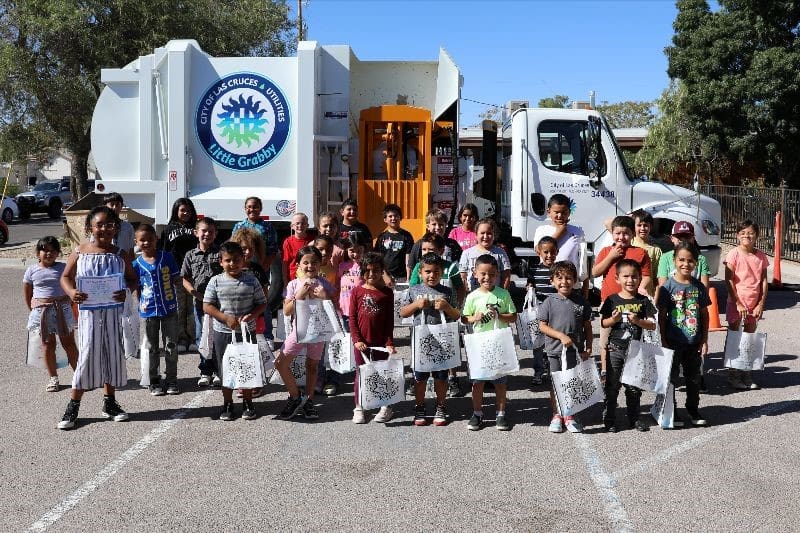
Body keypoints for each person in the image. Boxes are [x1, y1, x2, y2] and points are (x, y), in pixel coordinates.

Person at [57, 206, 139, 430]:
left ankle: (109, 403)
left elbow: (133, 279)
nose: (104, 229)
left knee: (112, 355)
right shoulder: (80, 251)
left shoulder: (120, 254)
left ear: (116, 228)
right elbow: (65, 277)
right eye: (99, 224)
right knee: (87, 356)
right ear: (90, 227)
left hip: (112, 313)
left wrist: (126, 289)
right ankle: (73, 405)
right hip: (89, 314)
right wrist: (72, 292)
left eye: (109, 225)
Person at [203, 241, 267, 421]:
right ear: (221, 261)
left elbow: (262, 303)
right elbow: (207, 306)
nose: (233, 264)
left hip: (247, 332)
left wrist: (252, 315)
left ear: (243, 259)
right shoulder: (215, 281)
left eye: (237, 260)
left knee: (246, 367)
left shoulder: (251, 280)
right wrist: (225, 318)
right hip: (223, 331)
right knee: (226, 369)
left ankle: (248, 402)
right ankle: (228, 403)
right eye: (228, 260)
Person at [400, 253, 461, 426]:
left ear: (442, 273)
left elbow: (457, 315)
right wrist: (416, 305)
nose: (431, 275)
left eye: (436, 272)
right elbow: (402, 312)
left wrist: (447, 307)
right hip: (421, 341)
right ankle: (420, 406)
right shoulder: (414, 290)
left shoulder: (447, 292)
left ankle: (441, 406)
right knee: (420, 378)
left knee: (441, 377)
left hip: (441, 341)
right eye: (427, 272)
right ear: (420, 273)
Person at [275, 246, 336, 420]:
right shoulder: (294, 285)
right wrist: (299, 296)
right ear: (299, 265)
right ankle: (296, 397)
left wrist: (325, 297)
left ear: (321, 264)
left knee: (312, 366)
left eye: (315, 262)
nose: (310, 266)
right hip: (299, 331)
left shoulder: (325, 285)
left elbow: (335, 310)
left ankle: (309, 401)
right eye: (306, 262)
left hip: (318, 332)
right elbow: (286, 311)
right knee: (280, 363)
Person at [656, 241, 711, 427]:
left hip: (694, 342)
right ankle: (671, 410)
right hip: (672, 341)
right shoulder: (667, 288)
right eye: (681, 260)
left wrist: (704, 340)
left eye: (690, 261)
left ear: (696, 262)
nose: (685, 264)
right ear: (673, 260)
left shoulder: (699, 288)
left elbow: (704, 314)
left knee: (694, 379)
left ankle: (693, 409)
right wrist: (663, 339)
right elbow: (662, 316)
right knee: (671, 378)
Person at [599, 259, 657, 432]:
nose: (630, 280)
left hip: (636, 351)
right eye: (626, 277)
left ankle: (634, 419)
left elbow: (652, 324)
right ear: (617, 279)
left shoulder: (643, 300)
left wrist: (638, 321)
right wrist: (614, 319)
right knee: (612, 386)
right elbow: (603, 323)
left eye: (634, 277)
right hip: (615, 349)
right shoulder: (611, 300)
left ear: (640, 279)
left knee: (633, 387)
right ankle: (609, 419)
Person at [462, 254, 517, 431]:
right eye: (483, 274)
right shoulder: (472, 296)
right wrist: (473, 318)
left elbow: (513, 316)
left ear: (498, 274)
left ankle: (500, 414)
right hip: (479, 345)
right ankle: (477, 413)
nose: (487, 278)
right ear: (475, 274)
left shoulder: (503, 294)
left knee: (500, 381)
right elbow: (464, 318)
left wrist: (500, 316)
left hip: (498, 344)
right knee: (478, 382)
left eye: (492, 274)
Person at [592, 215, 651, 379]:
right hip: (609, 302)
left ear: (633, 234)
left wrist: (641, 287)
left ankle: (631, 369)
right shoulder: (606, 251)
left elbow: (646, 275)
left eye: (626, 233)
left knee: (633, 336)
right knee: (606, 337)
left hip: (633, 303)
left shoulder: (640, 253)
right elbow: (595, 272)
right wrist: (611, 256)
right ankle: (605, 370)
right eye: (617, 233)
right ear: (612, 234)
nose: (621, 237)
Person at [408, 232, 466, 397]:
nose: (427, 252)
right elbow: (412, 289)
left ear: (441, 250)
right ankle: (417, 377)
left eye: (431, 249)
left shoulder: (451, 267)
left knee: (449, 346)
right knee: (422, 347)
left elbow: (460, 287)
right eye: (424, 249)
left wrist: (456, 306)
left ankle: (452, 377)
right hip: (424, 318)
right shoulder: (420, 268)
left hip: (446, 314)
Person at [538, 261, 593, 434]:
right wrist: (560, 336)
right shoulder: (549, 302)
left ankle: (570, 414)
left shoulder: (581, 302)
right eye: (559, 278)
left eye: (569, 278)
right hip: (555, 351)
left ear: (575, 280)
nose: (564, 282)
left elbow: (588, 327)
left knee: (572, 382)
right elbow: (542, 326)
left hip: (574, 352)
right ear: (552, 281)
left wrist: (589, 347)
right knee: (556, 384)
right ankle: (556, 414)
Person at [23, 236, 78, 392]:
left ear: (58, 253)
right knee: (48, 345)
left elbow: (72, 286)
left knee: (69, 343)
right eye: (45, 250)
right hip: (42, 311)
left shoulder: (63, 268)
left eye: (53, 251)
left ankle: (79, 375)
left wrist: (70, 304)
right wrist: (34, 309)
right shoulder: (31, 270)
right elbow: (28, 294)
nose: (49, 254)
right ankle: (53, 378)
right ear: (37, 253)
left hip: (63, 309)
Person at [132, 224, 181, 395]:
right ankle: (154, 380)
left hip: (169, 309)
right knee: (152, 348)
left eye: (150, 239)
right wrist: (141, 304)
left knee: (171, 345)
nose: (146, 243)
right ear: (136, 242)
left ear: (156, 239)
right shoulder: (136, 264)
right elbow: (136, 287)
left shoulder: (167, 257)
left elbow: (176, 281)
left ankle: (172, 379)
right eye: (142, 240)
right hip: (148, 311)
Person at [350, 253, 396, 424]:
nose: (371, 274)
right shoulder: (357, 291)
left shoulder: (387, 293)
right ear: (362, 272)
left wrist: (389, 342)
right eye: (367, 271)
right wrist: (357, 340)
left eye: (376, 270)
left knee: (382, 373)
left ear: (381, 271)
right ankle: (359, 407)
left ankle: (385, 406)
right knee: (361, 375)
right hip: (362, 343)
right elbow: (353, 318)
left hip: (380, 343)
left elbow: (389, 320)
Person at [724, 219, 769, 391]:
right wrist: (737, 303)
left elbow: (764, 281)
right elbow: (728, 279)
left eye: (750, 233)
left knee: (749, 339)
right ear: (737, 235)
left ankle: (746, 372)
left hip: (754, 302)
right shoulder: (734, 254)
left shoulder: (761, 256)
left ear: (756, 235)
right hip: (737, 303)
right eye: (743, 233)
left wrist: (761, 304)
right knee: (735, 338)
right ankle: (733, 374)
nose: (747, 236)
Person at [181, 217, 222, 387]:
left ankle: (219, 371)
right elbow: (185, 278)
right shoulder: (190, 255)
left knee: (219, 337)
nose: (207, 234)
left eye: (211, 231)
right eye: (204, 231)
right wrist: (194, 293)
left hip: (220, 304)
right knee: (202, 336)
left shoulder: (220, 253)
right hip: (200, 304)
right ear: (196, 233)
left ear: (215, 234)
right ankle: (205, 371)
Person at [230, 227, 270, 397]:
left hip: (256, 317)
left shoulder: (256, 269)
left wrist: (255, 312)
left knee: (254, 350)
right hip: (236, 318)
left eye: (249, 249)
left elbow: (265, 294)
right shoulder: (230, 270)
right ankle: (243, 382)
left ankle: (257, 382)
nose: (246, 252)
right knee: (239, 350)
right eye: (242, 248)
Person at [159, 198, 199, 352]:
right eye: (183, 210)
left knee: (193, 306)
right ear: (176, 211)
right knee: (179, 307)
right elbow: (164, 252)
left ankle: (194, 337)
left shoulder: (197, 228)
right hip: (175, 274)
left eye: (188, 210)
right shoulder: (169, 229)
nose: (186, 213)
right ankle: (181, 338)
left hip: (194, 274)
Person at [533, 193, 588, 294]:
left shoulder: (577, 232)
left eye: (564, 212)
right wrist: (560, 232)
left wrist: (585, 289)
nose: (560, 216)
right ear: (549, 212)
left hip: (570, 286)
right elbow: (538, 249)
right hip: (547, 285)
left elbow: (583, 262)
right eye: (556, 212)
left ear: (569, 212)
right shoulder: (541, 230)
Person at [526, 236, 559, 386]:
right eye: (545, 252)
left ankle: (554, 371)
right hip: (539, 310)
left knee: (554, 341)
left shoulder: (559, 269)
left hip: (556, 310)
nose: (549, 255)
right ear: (539, 252)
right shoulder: (534, 268)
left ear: (557, 252)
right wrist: (530, 288)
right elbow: (530, 283)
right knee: (538, 343)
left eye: (552, 252)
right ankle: (538, 371)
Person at [458, 217, 512, 291]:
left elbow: (506, 276)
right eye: (482, 233)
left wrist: (502, 295)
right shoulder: (467, 253)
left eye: (489, 233)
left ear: (494, 235)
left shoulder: (500, 253)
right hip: (473, 296)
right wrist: (466, 295)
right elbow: (463, 277)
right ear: (476, 235)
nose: (485, 236)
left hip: (494, 296)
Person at [406, 208, 462, 277]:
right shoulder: (420, 244)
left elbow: (460, 264)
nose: (438, 227)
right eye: (434, 224)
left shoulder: (452, 244)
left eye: (441, 224)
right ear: (428, 226)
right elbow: (411, 266)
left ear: (445, 226)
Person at [657, 221, 711, 288]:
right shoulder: (665, 258)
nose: (683, 241)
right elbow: (663, 286)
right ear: (672, 238)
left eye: (687, 237)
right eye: (679, 238)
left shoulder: (701, 259)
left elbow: (705, 286)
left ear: (693, 239)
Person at [231, 196, 278, 270]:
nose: (252, 209)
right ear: (245, 209)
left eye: (255, 207)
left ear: (261, 208)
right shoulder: (238, 226)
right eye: (249, 207)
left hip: (260, 265)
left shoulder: (268, 227)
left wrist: (263, 268)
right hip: (240, 267)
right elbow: (232, 247)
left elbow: (273, 250)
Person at [374, 203, 414, 283]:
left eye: (396, 215)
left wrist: (409, 277)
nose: (393, 218)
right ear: (385, 219)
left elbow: (409, 257)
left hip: (402, 277)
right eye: (390, 216)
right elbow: (378, 258)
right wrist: (384, 275)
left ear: (400, 218)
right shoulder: (382, 237)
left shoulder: (407, 236)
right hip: (384, 276)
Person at [630, 209, 662, 297]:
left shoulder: (656, 250)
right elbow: (608, 223)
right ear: (634, 227)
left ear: (650, 227)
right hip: (628, 294)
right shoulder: (629, 243)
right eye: (639, 225)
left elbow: (657, 278)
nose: (642, 228)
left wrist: (655, 298)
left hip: (647, 295)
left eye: (645, 225)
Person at [282, 212, 316, 283]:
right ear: (292, 226)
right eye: (297, 223)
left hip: (310, 277)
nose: (300, 225)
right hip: (293, 278)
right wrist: (285, 280)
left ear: (307, 225)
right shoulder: (288, 242)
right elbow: (285, 263)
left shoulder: (313, 240)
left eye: (303, 223)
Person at [103, 192, 135, 259]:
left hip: (123, 264)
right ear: (105, 206)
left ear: (121, 206)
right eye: (112, 204)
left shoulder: (128, 227)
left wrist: (131, 266)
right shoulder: (100, 227)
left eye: (117, 204)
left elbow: (131, 250)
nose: (114, 207)